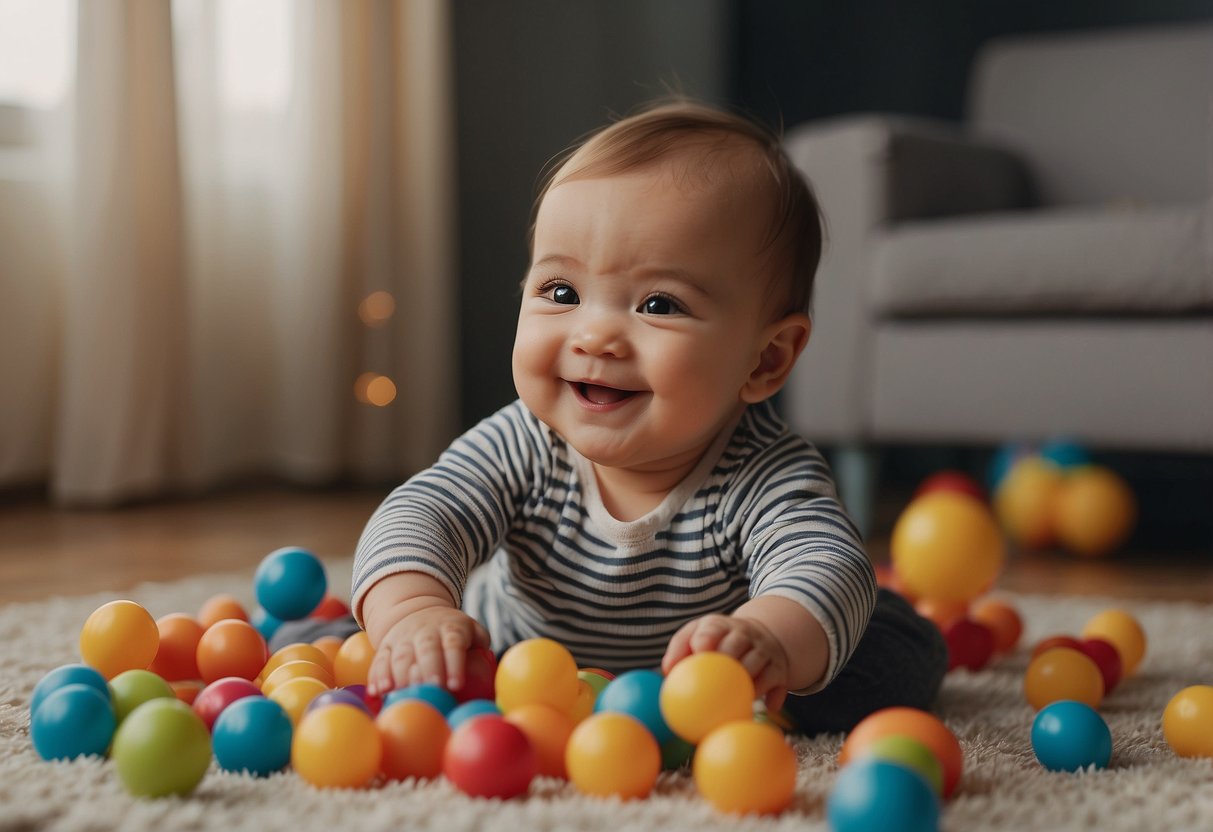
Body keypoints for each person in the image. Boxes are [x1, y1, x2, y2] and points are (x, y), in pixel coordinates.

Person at [279, 100, 946, 734]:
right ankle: (383, 632)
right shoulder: (525, 442)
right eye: (561, 292)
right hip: (510, 664)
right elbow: (424, 511)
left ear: (765, 360)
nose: (594, 336)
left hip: (695, 685)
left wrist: (766, 637)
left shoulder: (763, 473)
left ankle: (790, 670)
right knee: (357, 640)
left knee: (885, 654)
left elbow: (821, 558)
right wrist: (418, 615)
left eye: (658, 305)